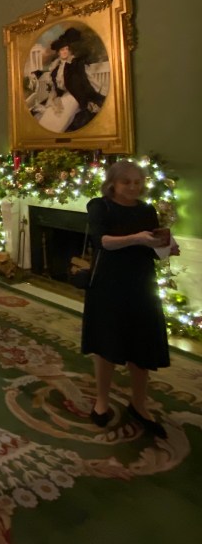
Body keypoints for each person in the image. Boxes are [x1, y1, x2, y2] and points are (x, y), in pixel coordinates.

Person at [81, 160, 180, 439]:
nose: (134, 187)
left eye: (138, 182)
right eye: (127, 182)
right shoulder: (100, 206)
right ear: (112, 183)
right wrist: (136, 238)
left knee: (142, 343)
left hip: (141, 284)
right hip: (108, 284)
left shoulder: (147, 210)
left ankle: (139, 404)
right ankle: (102, 401)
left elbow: (149, 247)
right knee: (107, 342)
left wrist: (166, 248)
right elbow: (102, 242)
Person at [36, 27, 105, 133]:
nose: (64, 52)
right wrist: (56, 98)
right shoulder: (56, 68)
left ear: (70, 50)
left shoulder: (75, 63)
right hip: (65, 95)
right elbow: (56, 86)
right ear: (58, 52)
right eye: (62, 50)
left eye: (66, 49)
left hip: (76, 96)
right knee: (50, 111)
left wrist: (91, 99)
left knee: (64, 113)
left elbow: (84, 82)